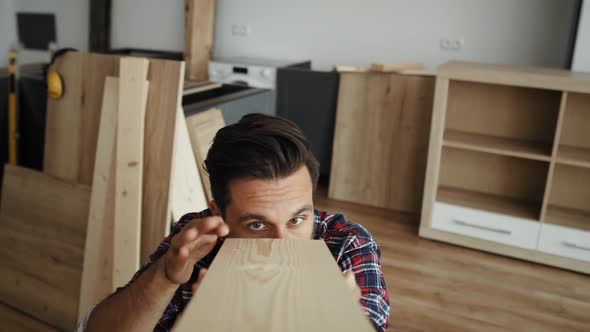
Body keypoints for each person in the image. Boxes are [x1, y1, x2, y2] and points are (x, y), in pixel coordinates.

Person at [80, 113, 390, 331]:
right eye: (257, 225)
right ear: (219, 214)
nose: (282, 245)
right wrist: (164, 276)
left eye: (297, 219)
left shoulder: (347, 243)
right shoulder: (197, 240)